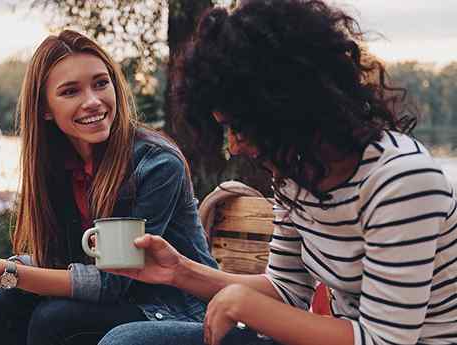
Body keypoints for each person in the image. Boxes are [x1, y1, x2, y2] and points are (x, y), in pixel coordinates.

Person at [97, 1, 457, 345]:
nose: (234, 146)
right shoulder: (297, 173)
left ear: (292, 109)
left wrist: (246, 305)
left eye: (241, 127)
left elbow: (385, 340)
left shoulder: (402, 181)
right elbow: (287, 290)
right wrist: (180, 272)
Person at [0, 29, 217, 345]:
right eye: (70, 91)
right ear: (45, 109)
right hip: (123, 301)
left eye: (101, 83)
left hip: (176, 309)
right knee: (0, 306)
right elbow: (60, 263)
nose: (92, 101)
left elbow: (112, 283)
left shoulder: (156, 163)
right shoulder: (59, 165)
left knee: (57, 320)